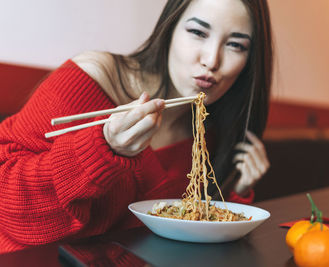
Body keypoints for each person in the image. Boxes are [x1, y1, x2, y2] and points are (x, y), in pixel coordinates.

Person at [0, 0, 272, 253]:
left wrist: (238, 188)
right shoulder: (94, 77)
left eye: (236, 45)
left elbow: (185, 234)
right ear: (170, 28)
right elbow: (6, 204)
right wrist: (103, 147)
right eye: (198, 33)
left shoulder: (207, 132)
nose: (212, 61)